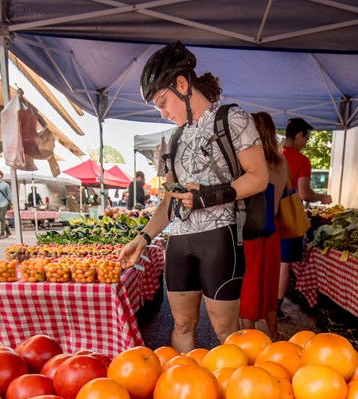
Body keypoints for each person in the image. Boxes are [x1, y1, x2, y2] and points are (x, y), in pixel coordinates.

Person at [119, 42, 267, 351]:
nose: (162, 113)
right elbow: (168, 200)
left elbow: (259, 177)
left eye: (163, 102)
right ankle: (185, 396)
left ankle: (238, 395)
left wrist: (209, 196)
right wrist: (142, 238)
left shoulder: (232, 119)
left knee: (226, 330)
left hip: (219, 237)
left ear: (182, 85)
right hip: (179, 240)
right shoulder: (175, 137)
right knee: (182, 324)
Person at [238, 112, 286, 338]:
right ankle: (274, 334)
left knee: (249, 282)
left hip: (251, 228)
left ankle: (249, 338)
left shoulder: (250, 162)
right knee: (269, 283)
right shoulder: (281, 162)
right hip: (272, 228)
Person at [279, 117, 331, 319]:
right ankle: (276, 309)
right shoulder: (302, 160)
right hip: (289, 214)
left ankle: (263, 305)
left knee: (270, 259)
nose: (306, 144)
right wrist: (322, 197)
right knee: (284, 264)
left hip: (269, 213)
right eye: (307, 139)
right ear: (299, 135)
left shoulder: (273, 154)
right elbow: (304, 193)